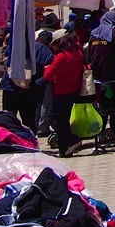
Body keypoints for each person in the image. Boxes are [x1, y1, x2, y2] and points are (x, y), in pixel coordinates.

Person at [84, 9, 115, 142]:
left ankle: (100, 133)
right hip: (114, 76)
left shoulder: (93, 34)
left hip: (97, 78)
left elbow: (88, 56)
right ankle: (114, 132)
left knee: (101, 107)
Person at [42, 29, 85, 158]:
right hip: (74, 90)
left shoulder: (61, 56)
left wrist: (48, 68)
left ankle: (72, 140)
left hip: (61, 91)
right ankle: (65, 150)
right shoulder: (78, 52)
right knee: (63, 120)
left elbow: (48, 75)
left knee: (52, 118)